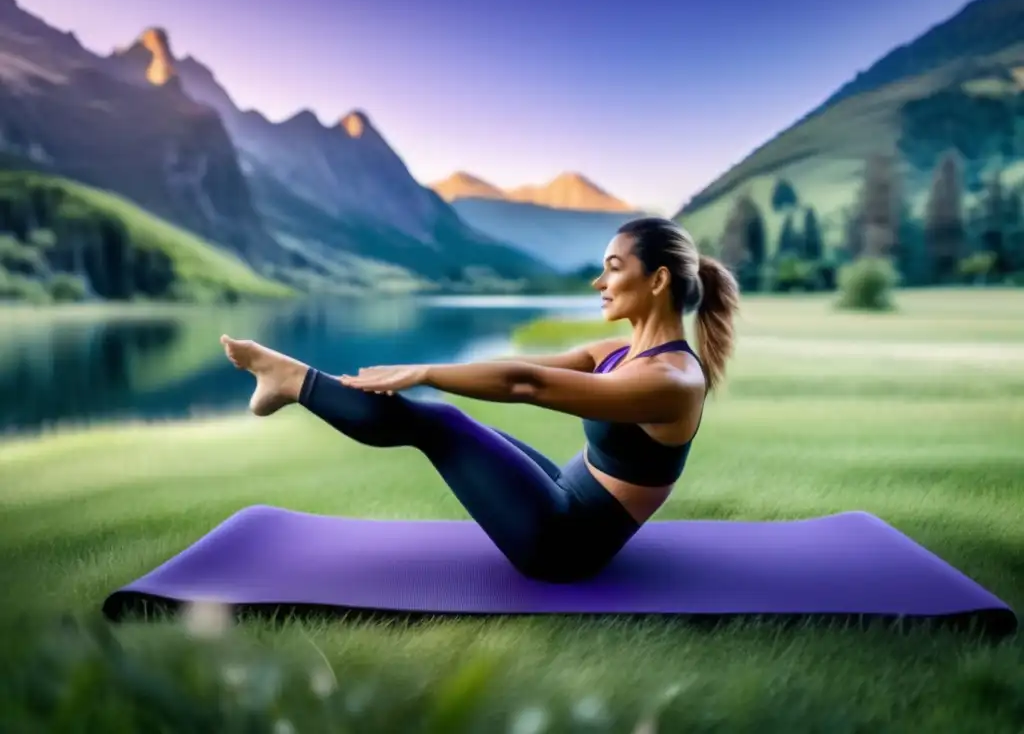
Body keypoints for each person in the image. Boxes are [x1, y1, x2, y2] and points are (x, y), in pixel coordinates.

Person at [220, 217, 740, 583]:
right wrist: (422, 373)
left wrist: (427, 373)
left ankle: (292, 381)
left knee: (440, 425)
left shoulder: (671, 382)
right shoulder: (618, 353)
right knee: (460, 424)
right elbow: (531, 369)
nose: (598, 281)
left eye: (612, 267)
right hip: (566, 495)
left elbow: (526, 385)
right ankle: (305, 383)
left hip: (564, 546)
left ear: (658, 280)